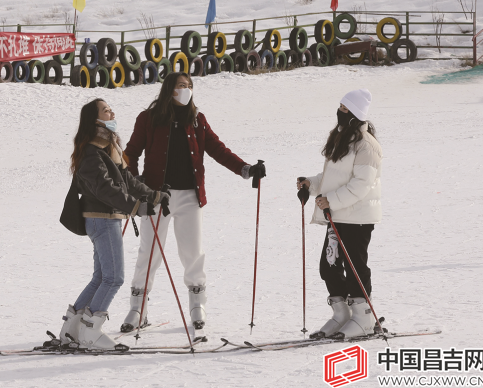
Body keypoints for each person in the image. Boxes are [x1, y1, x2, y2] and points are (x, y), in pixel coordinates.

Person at [120, 72, 266, 332]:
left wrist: (246, 169)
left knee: (193, 252)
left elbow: (217, 149)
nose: (186, 90)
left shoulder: (197, 120)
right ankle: (137, 308)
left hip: (190, 196)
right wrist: (138, 187)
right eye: (181, 86)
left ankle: (198, 305)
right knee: (149, 252)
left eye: (189, 86)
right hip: (156, 197)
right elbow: (130, 154)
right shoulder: (149, 118)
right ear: (169, 90)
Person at [58, 98, 170, 351]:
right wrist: (135, 206)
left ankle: (71, 330)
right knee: (114, 278)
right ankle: (90, 332)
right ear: (94, 119)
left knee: (101, 277)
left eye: (110, 109)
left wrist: (152, 195)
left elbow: (126, 180)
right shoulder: (91, 152)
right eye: (106, 110)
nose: (112, 112)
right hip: (102, 219)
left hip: (105, 219)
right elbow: (105, 188)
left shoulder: (108, 148)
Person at [297, 89, 382, 340]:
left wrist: (329, 201)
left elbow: (361, 184)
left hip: (357, 217)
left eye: (345, 109)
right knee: (329, 267)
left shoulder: (367, 145)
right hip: (336, 215)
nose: (340, 112)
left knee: (355, 266)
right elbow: (332, 179)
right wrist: (311, 185)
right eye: (340, 108)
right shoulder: (343, 139)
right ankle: (343, 315)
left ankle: (364, 318)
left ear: (356, 114)